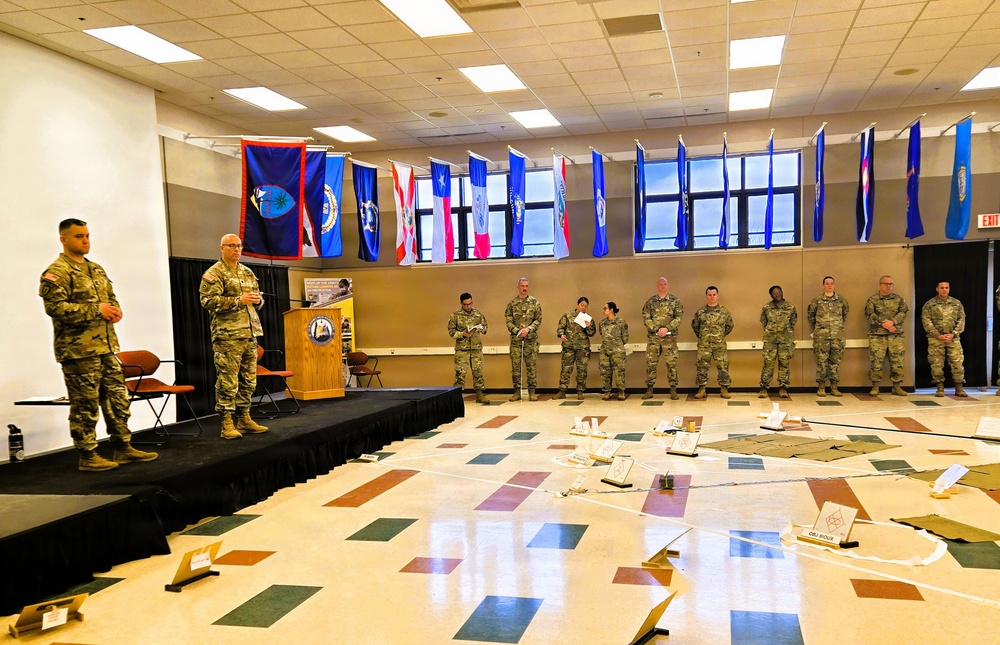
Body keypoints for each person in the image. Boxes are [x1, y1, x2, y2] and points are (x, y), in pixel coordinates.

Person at [39, 219, 158, 471]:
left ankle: (123, 446)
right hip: (78, 351)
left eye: (88, 235)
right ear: (63, 239)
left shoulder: (96, 269)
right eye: (79, 236)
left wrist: (115, 311)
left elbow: (110, 299)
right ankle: (88, 454)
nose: (86, 241)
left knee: (117, 399)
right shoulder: (57, 272)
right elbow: (55, 308)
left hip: (106, 348)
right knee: (85, 404)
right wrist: (97, 310)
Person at [200, 234, 270, 439]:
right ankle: (226, 423)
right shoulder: (214, 273)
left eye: (239, 246)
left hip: (249, 333)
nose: (236, 249)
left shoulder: (247, 272)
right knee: (228, 381)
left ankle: (245, 418)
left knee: (249, 380)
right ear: (221, 248)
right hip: (228, 336)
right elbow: (207, 301)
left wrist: (257, 301)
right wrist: (239, 300)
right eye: (232, 246)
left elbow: (258, 300)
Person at [865, 275, 909, 396]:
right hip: (877, 336)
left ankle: (896, 386)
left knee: (897, 362)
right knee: (876, 361)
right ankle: (875, 387)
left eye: (890, 284)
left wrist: (893, 322)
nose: (888, 286)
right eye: (886, 283)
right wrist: (885, 324)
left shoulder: (898, 299)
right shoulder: (872, 300)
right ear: (880, 285)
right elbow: (870, 315)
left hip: (895, 336)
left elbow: (903, 312)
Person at [921, 282, 967, 397]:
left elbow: (962, 319)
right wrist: (937, 335)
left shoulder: (956, 303)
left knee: (957, 363)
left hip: (953, 338)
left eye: (946, 288)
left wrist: (954, 333)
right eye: (942, 288)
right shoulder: (930, 304)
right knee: (936, 364)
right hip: (936, 339)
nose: (944, 290)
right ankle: (940, 388)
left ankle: (959, 388)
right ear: (937, 289)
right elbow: (926, 321)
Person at [642, 277, 684, 400]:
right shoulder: (650, 301)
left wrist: (666, 328)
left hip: (669, 338)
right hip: (654, 339)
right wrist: (656, 329)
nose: (662, 286)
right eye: (660, 284)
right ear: (657, 286)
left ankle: (673, 390)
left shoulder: (675, 301)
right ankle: (649, 389)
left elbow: (678, 318)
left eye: (665, 284)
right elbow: (646, 317)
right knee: (651, 365)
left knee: (672, 364)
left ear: (668, 285)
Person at [807, 276, 849, 397]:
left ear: (834, 285)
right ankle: (821, 387)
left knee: (835, 362)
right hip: (821, 336)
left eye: (831, 283)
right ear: (823, 286)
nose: (829, 285)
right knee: (822, 361)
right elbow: (811, 317)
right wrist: (817, 330)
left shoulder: (841, 300)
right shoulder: (817, 301)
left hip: (837, 336)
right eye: (827, 283)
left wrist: (837, 328)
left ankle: (834, 387)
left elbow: (844, 315)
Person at [692, 286, 734, 399]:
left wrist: (720, 336)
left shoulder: (724, 311)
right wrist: (703, 337)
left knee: (723, 367)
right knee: (702, 367)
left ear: (717, 296)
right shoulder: (700, 312)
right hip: (704, 345)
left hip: (719, 345)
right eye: (709, 295)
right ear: (706, 296)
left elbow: (730, 326)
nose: (712, 297)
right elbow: (695, 326)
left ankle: (724, 389)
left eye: (714, 295)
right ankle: (702, 389)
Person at [505, 277, 542, 401]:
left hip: (530, 340)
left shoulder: (535, 302)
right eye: (522, 286)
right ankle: (517, 392)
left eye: (526, 286)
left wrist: (529, 329)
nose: (524, 288)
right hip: (516, 341)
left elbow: (538, 320)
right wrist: (517, 331)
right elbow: (508, 321)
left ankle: (532, 391)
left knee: (531, 366)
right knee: (516, 367)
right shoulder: (512, 303)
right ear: (518, 287)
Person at [448, 292, 489, 404]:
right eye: (466, 304)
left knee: (478, 372)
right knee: (460, 374)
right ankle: (456, 398)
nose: (468, 306)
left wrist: (481, 329)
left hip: (476, 348)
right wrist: (462, 334)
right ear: (461, 303)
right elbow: (451, 332)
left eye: (470, 304)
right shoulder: (455, 315)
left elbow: (485, 327)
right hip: (462, 349)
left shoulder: (477, 313)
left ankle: (480, 395)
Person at [758, 286, 797, 399]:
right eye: (775, 294)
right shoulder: (767, 308)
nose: (777, 295)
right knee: (768, 364)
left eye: (779, 293)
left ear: (782, 292)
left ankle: (783, 388)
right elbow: (764, 322)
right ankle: (764, 388)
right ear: (771, 295)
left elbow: (793, 321)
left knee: (784, 364)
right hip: (770, 340)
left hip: (786, 341)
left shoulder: (790, 307)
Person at [555, 297, 596, 400]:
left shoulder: (588, 318)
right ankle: (562, 391)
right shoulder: (568, 316)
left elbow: (592, 333)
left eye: (586, 306)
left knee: (582, 370)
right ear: (577, 305)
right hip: (568, 347)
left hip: (582, 348)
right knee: (565, 369)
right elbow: (560, 328)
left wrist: (589, 326)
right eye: (582, 305)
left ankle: (580, 391)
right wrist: (561, 335)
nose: (583, 308)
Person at [599, 302, 629, 400]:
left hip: (617, 351)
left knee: (619, 372)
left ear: (611, 309)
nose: (603, 311)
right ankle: (607, 392)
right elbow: (601, 334)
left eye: (605, 308)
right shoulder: (602, 323)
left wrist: (617, 345)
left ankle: (621, 391)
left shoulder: (621, 322)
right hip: (605, 351)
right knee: (605, 372)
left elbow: (625, 337)